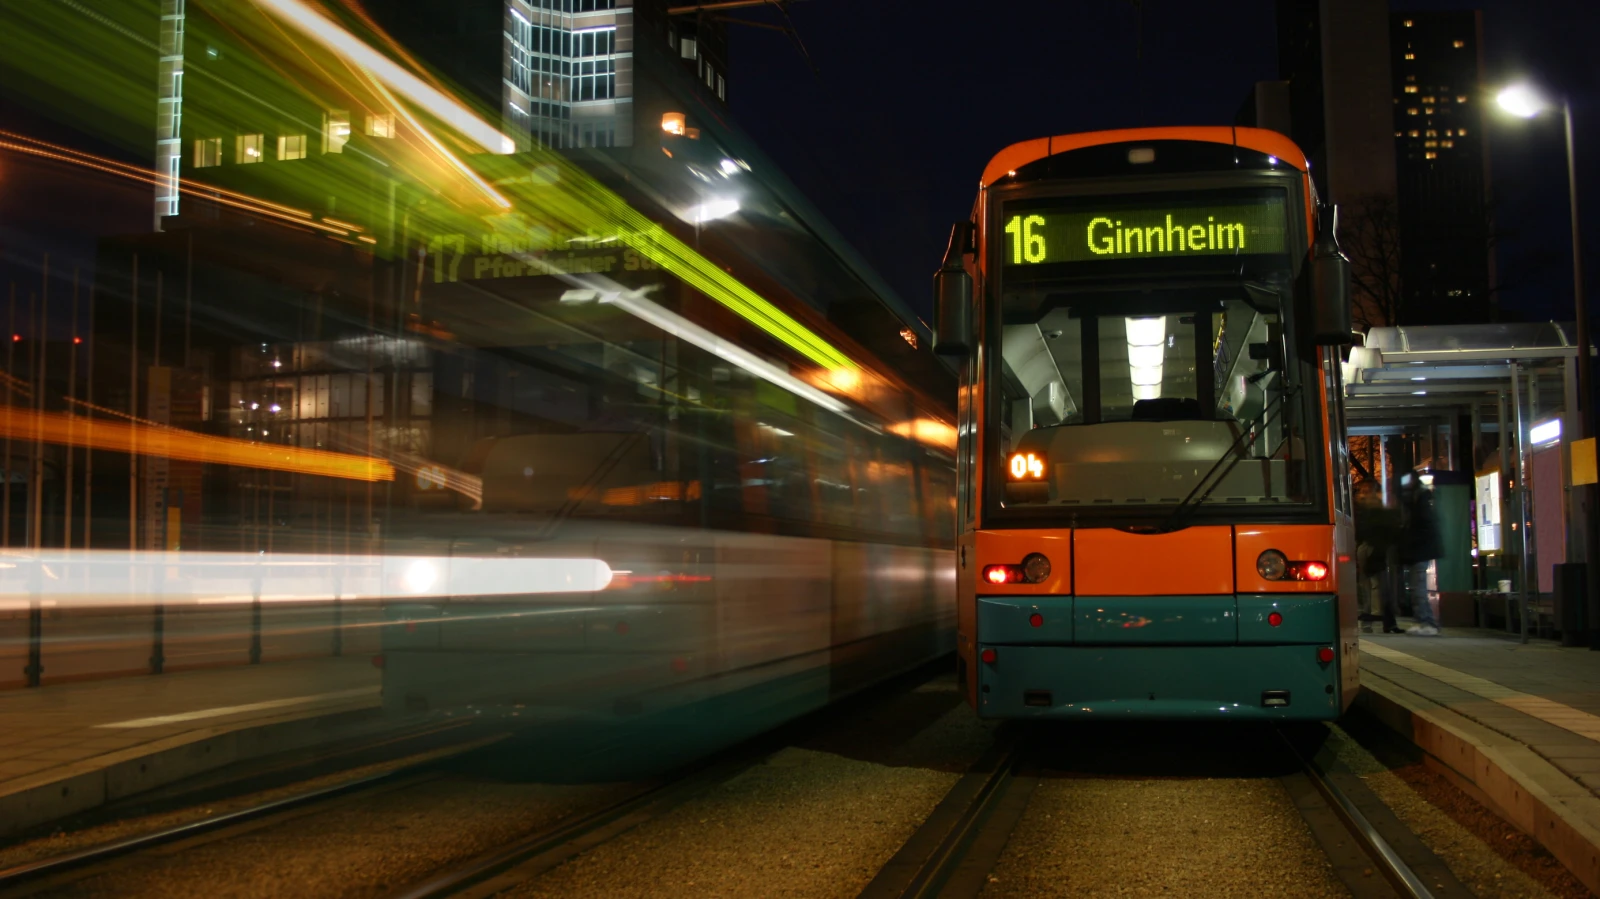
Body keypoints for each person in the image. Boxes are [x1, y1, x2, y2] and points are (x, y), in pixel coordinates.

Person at [1399, 476, 1444, 635]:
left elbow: (1422, 527)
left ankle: (1426, 622)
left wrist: (1410, 541)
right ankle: (1422, 620)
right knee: (1417, 587)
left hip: (1420, 551)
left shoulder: (1420, 502)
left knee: (1418, 587)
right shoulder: (1420, 500)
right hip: (1419, 551)